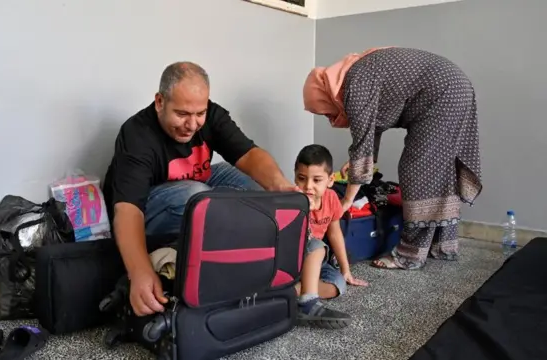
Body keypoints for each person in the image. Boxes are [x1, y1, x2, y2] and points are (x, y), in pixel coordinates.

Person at [103, 61, 297, 316]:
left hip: (195, 185)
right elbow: (128, 210)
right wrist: (139, 272)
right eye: (182, 114)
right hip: (149, 207)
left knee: (251, 189)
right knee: (198, 197)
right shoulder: (136, 134)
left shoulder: (213, 115)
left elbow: (249, 155)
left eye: (199, 114)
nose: (193, 124)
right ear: (160, 102)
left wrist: (279, 185)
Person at [303, 47, 482, 270]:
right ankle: (443, 245)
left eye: (324, 110)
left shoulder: (354, 85)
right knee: (440, 169)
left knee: (417, 171)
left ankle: (410, 255)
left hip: (442, 93)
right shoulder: (356, 76)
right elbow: (371, 130)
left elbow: (361, 143)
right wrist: (368, 159)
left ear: (324, 94)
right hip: (453, 86)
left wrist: (347, 200)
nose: (330, 118)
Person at [293, 144, 368, 328]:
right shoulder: (292, 198)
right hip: (293, 259)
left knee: (338, 285)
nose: (308, 186)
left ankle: (287, 294)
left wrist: (345, 269)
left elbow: (334, 233)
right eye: (301, 178)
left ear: (330, 180)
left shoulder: (332, 198)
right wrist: (303, 211)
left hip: (316, 263)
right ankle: (307, 304)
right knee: (317, 245)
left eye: (316, 180)